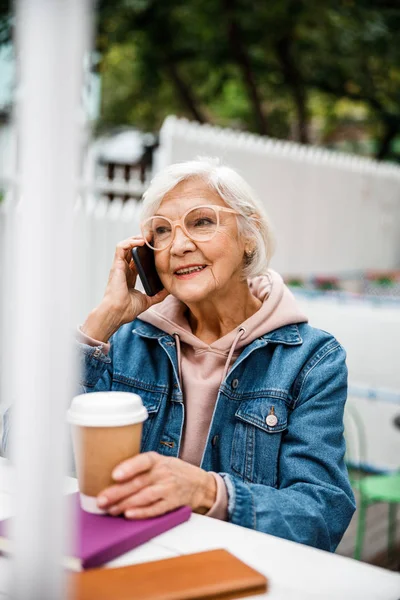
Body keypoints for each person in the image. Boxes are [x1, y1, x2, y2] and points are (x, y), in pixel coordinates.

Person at [3, 157, 355, 551]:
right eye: (161, 231)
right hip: (132, 556)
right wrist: (101, 322)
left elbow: (323, 514)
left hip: (242, 569)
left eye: (202, 222)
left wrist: (207, 491)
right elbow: (20, 446)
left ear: (249, 235)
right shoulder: (126, 342)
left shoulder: (311, 359)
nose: (180, 245)